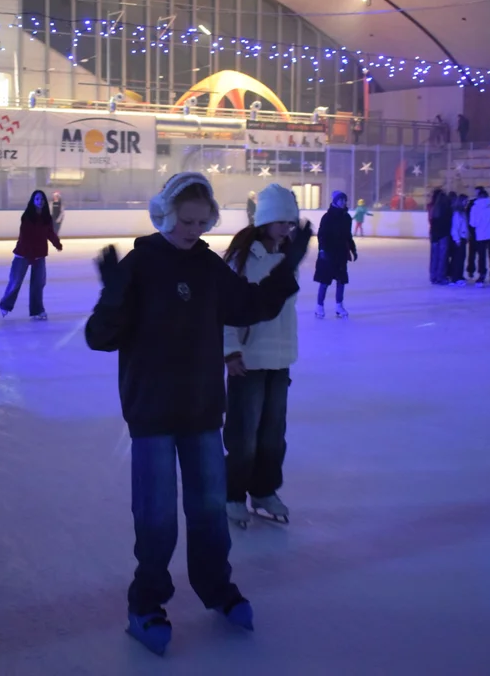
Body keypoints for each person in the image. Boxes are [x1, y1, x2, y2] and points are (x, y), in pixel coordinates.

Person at [84, 172, 313, 655]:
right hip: (151, 414)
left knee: (209, 511)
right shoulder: (142, 264)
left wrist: (287, 265)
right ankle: (146, 604)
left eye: (200, 221)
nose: (192, 230)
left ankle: (218, 589)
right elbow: (100, 339)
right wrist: (112, 295)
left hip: (203, 412)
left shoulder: (209, 266)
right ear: (166, 213)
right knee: (157, 517)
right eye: (184, 220)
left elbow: (250, 307)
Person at [222, 184, 300, 529]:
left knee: (273, 435)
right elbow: (224, 309)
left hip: (279, 360)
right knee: (244, 436)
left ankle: (264, 491)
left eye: (291, 222)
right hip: (248, 362)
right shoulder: (240, 259)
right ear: (265, 220)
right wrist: (230, 351)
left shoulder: (287, 257)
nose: (287, 228)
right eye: (281, 221)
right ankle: (234, 494)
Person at [0, 190, 63, 320]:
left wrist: (57, 244)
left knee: (38, 283)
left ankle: (37, 309)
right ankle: (5, 305)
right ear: (33, 201)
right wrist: (30, 255)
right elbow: (25, 237)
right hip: (23, 254)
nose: (40, 201)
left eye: (42, 199)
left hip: (39, 255)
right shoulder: (27, 216)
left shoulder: (46, 217)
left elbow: (49, 233)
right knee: (16, 281)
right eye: (37, 199)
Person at [314, 191, 357, 318]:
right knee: (325, 281)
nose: (343, 202)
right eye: (341, 200)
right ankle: (319, 306)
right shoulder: (327, 217)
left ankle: (339, 306)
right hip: (328, 253)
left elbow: (348, 236)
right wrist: (322, 250)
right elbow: (321, 235)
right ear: (335, 201)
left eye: (345, 200)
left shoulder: (346, 217)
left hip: (341, 254)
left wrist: (353, 249)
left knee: (341, 281)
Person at [469, 186, 490, 287]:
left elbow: (472, 223)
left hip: (481, 235)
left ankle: (482, 275)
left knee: (481, 256)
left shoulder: (475, 207)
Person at [427, 189, 451, 285]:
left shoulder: (432, 208)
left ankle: (433, 276)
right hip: (443, 235)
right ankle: (440, 276)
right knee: (442, 257)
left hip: (434, 234)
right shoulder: (446, 208)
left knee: (434, 257)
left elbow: (431, 221)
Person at [448, 193, 469, 286]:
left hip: (462, 239)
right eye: (465, 201)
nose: (466, 203)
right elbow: (454, 229)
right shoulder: (457, 214)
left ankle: (459, 276)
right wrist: (457, 240)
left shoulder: (462, 213)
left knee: (461, 258)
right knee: (457, 259)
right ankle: (455, 277)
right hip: (459, 240)